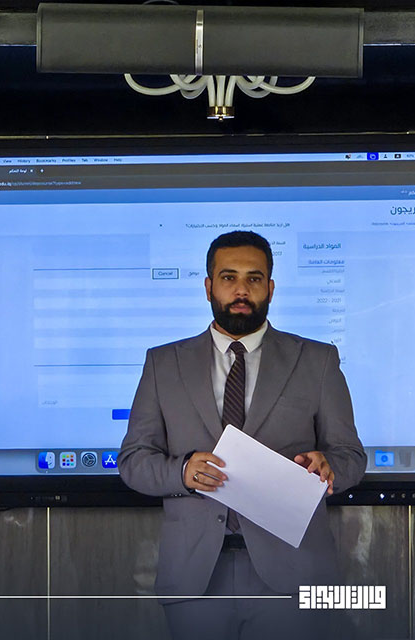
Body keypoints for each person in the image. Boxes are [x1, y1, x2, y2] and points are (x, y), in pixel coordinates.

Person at [118, 230, 366, 640]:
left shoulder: (317, 360)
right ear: (208, 287)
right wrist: (182, 472)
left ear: (270, 288)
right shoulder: (163, 363)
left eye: (254, 278)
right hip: (195, 575)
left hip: (294, 573)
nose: (241, 290)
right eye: (228, 277)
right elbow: (133, 461)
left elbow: (350, 456)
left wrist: (329, 466)